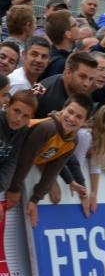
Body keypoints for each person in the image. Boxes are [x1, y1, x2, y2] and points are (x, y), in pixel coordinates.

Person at [6, 94, 93, 226]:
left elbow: (53, 169)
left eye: (79, 117)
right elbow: (25, 161)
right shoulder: (47, 128)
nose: (72, 118)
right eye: (70, 112)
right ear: (62, 108)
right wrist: (14, 190)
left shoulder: (72, 140)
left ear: (85, 122)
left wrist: (35, 200)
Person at [0, 90, 36, 211]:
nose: (19, 119)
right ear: (8, 105)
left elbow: (12, 158)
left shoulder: (22, 130)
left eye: (25, 116)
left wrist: (2, 185)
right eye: (16, 111)